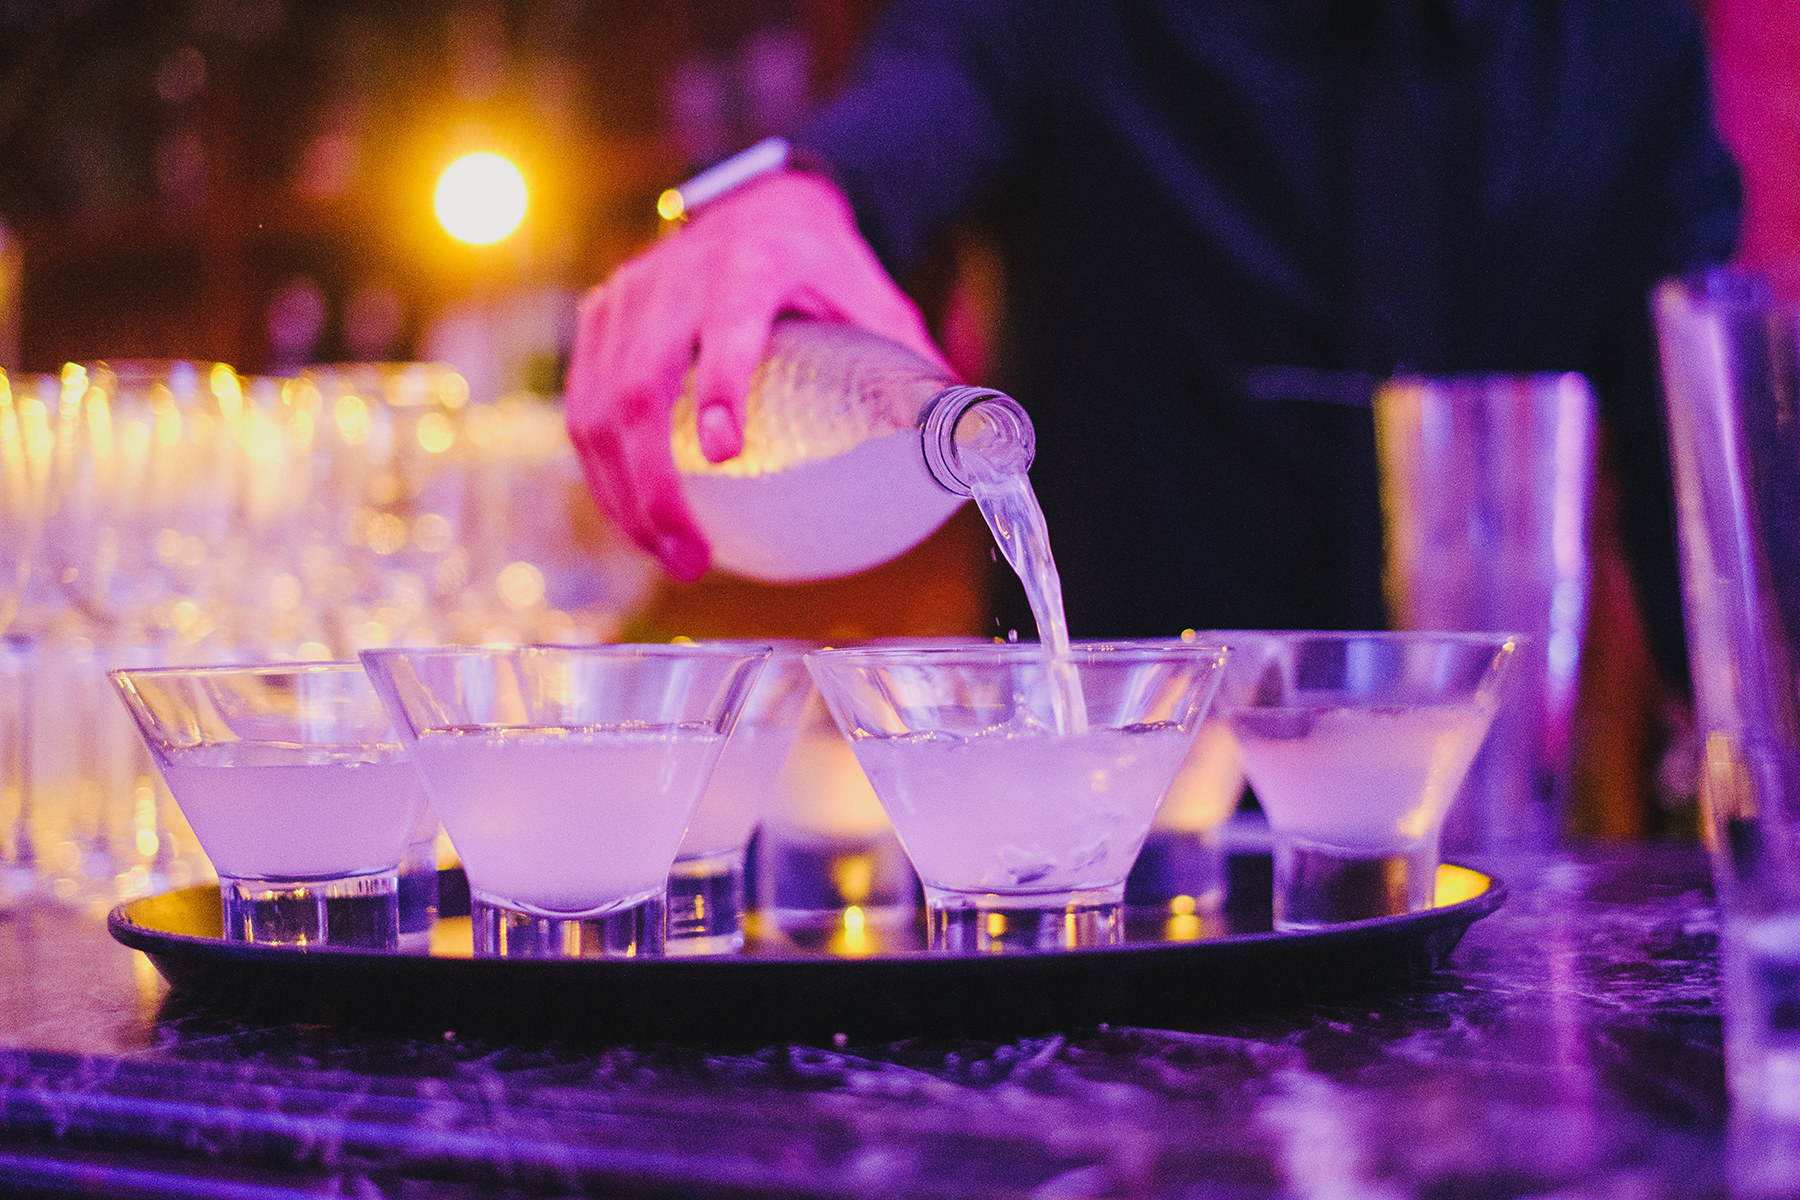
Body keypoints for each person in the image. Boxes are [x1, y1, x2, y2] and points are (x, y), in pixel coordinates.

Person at [564, 0, 1740, 671]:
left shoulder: (1627, 34)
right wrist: (786, 198)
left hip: (1488, 862)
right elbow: (917, 105)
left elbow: (1710, 494)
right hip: (1115, 863)